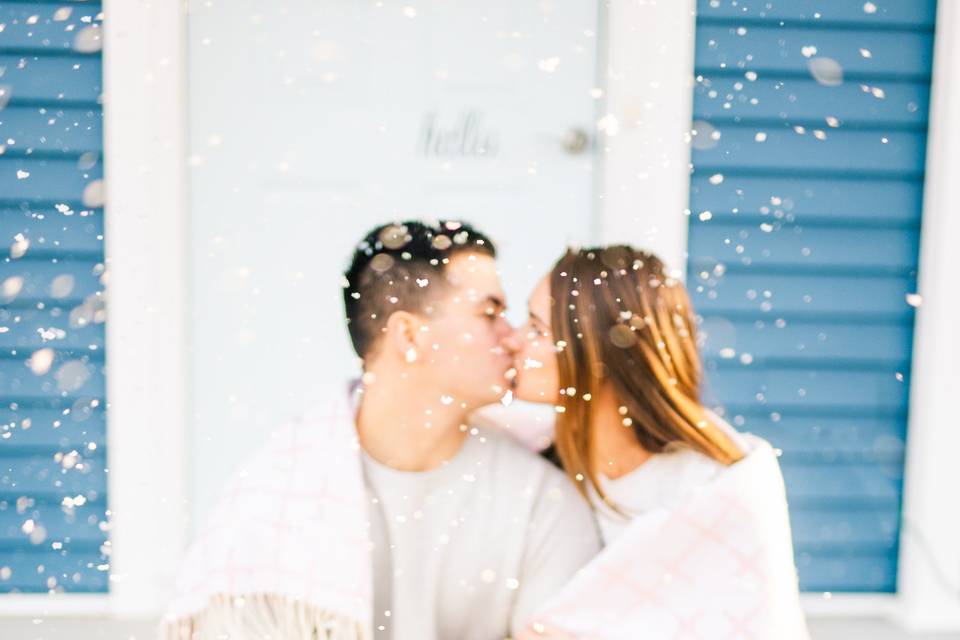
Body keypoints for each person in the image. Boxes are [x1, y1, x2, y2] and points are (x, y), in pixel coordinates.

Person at [161, 221, 600, 640]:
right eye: (490, 314)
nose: (513, 338)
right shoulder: (273, 502)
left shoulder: (542, 501)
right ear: (409, 335)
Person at [510, 245, 810, 639]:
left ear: (598, 353)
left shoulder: (709, 491)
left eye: (536, 329)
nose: (513, 342)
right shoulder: (540, 458)